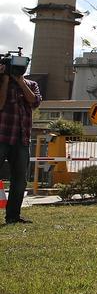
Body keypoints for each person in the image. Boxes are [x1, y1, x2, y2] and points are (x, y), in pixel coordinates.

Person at [0, 55, 41, 225]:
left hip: (21, 139)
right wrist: (4, 80)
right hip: (2, 136)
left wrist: (21, 81)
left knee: (20, 180)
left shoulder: (32, 85)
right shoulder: (1, 82)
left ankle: (13, 216)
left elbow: (34, 101)